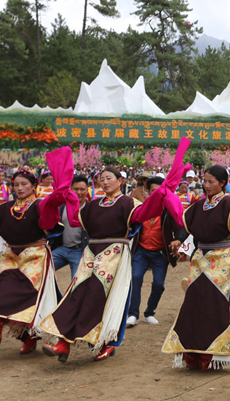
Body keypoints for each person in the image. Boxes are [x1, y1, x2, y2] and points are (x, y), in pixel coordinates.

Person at [40, 140, 190, 363]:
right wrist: (66, 195)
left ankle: (106, 342)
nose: (105, 181)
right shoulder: (92, 205)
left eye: (109, 178)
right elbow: (73, 219)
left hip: (116, 254)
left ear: (120, 180)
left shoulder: (129, 203)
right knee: (77, 294)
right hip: (91, 254)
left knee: (104, 299)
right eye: (102, 179)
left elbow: (146, 213)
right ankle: (64, 341)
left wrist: (161, 194)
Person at [0, 148, 72, 355]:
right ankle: (0, 330)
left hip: (36, 256)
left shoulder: (41, 205)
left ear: (34, 186)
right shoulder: (6, 208)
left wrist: (59, 187)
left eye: (24, 184)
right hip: (11, 256)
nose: (19, 188)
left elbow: (52, 209)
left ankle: (24, 336)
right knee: (4, 290)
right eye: (16, 185)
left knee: (29, 298)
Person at [162, 163, 230, 370]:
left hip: (222, 257)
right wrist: (179, 240)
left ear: (222, 183)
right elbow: (186, 225)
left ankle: (212, 355)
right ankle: (192, 352)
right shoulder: (198, 206)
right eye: (204, 181)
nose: (205, 185)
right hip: (200, 258)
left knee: (216, 304)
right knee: (194, 303)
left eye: (210, 182)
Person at [127, 176, 188, 327]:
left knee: (159, 284)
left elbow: (182, 227)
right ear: (147, 191)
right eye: (153, 191)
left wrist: (178, 241)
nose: (156, 194)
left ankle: (149, 313)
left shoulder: (169, 210)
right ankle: (133, 314)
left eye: (160, 191)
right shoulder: (139, 209)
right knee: (135, 278)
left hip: (160, 253)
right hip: (141, 251)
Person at [50, 176, 90, 279]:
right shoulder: (62, 207)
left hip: (79, 251)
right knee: (42, 270)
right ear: (70, 189)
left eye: (82, 189)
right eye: (76, 189)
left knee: (76, 282)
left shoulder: (91, 209)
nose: (79, 192)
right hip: (61, 249)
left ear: (87, 190)